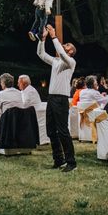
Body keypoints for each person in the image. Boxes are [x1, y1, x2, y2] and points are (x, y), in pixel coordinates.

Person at [38, 24, 77, 173]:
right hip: (52, 98)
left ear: (71, 51)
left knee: (63, 131)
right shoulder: (55, 62)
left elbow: (61, 52)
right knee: (50, 131)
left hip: (61, 99)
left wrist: (54, 36)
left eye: (67, 45)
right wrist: (42, 39)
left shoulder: (71, 63)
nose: (63, 45)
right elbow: (41, 54)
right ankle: (58, 159)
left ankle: (71, 162)